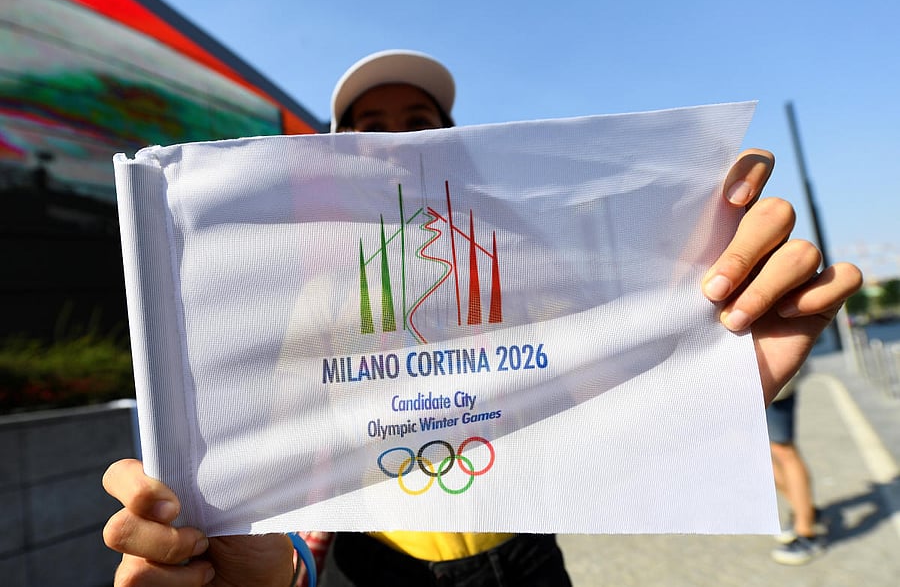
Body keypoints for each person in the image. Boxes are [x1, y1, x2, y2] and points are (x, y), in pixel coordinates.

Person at [101, 49, 864, 586]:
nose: (397, 135)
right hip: (383, 569)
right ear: (336, 155)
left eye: (419, 117)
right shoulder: (311, 298)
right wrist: (279, 572)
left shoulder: (522, 264)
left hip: (525, 555)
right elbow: (294, 468)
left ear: (455, 140)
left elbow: (594, 397)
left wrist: (702, 373)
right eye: (369, 125)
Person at [767, 370, 826, 565]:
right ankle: (805, 511)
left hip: (768, 374)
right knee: (758, 456)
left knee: (783, 450)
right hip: (734, 384)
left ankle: (806, 533)